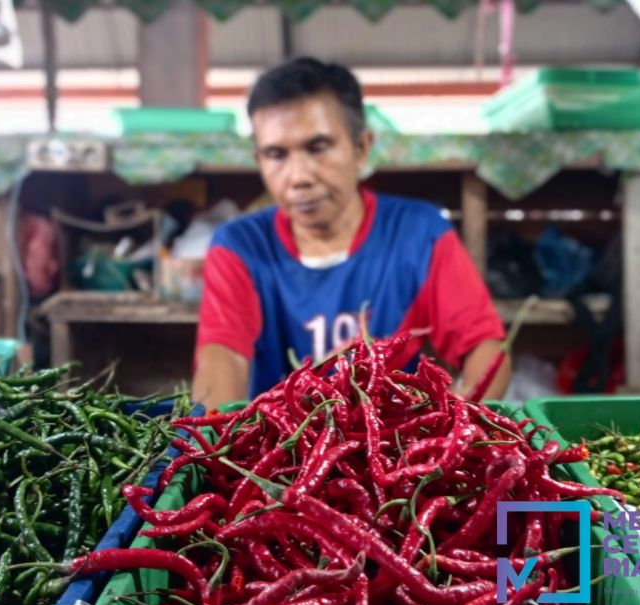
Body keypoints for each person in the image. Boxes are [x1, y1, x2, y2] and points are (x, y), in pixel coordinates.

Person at [191, 57, 510, 408]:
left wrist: (460, 417)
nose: (299, 177)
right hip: (282, 439)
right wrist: (214, 432)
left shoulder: (420, 233)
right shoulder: (240, 246)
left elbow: (483, 345)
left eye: (318, 148)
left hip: (396, 436)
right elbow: (222, 354)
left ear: (361, 149)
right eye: (276, 154)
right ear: (259, 162)